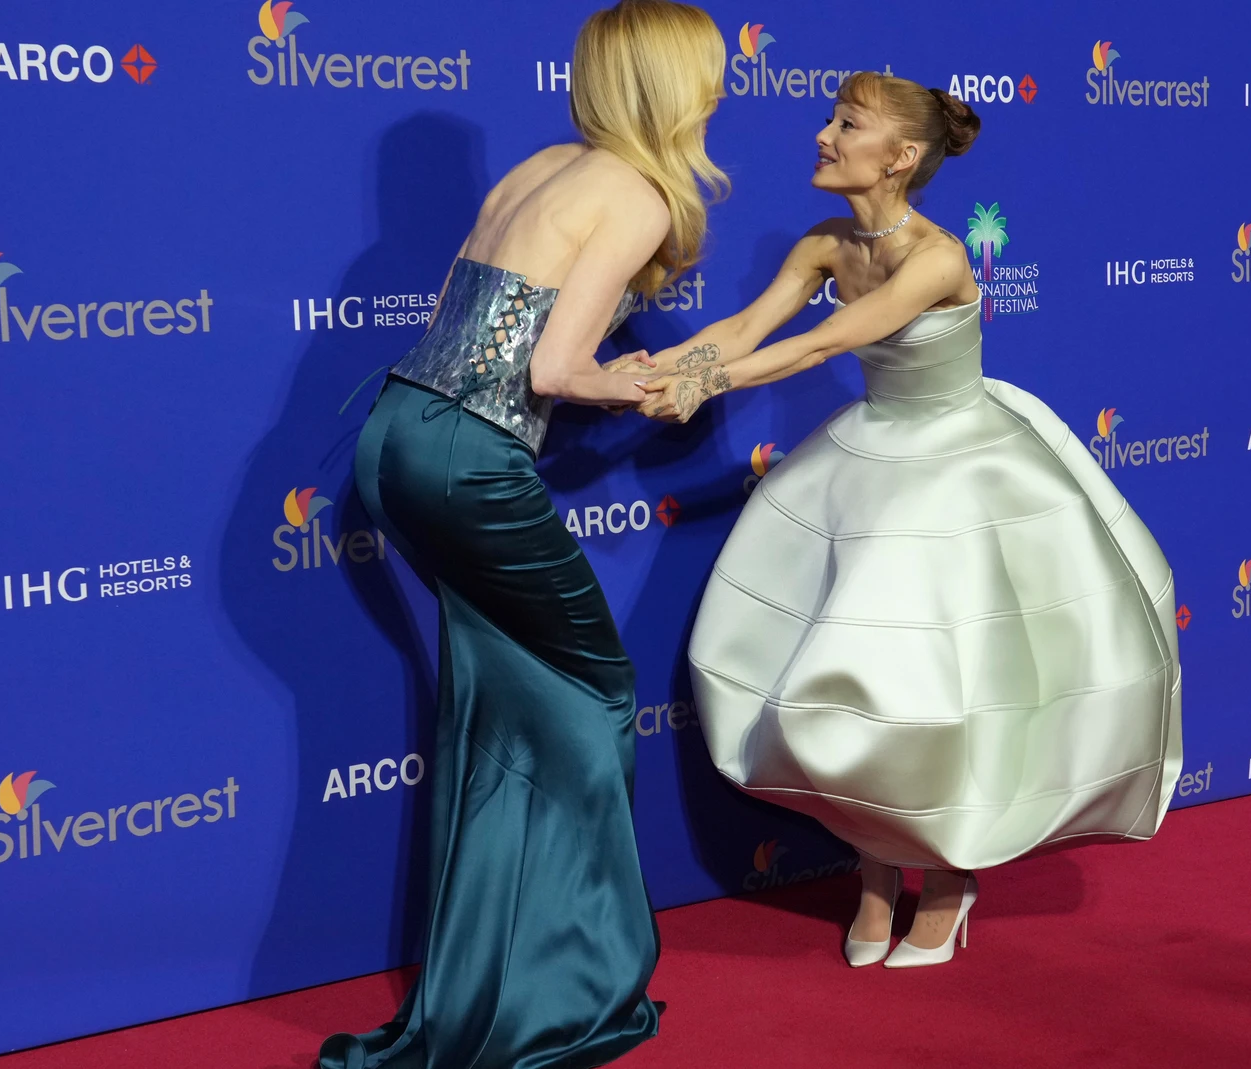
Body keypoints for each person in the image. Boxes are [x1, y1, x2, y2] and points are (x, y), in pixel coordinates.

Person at [634, 72, 1183, 969]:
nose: (822, 134)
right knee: (859, 685)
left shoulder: (937, 255)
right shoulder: (824, 240)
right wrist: (666, 365)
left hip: (960, 472)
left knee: (944, 692)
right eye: (829, 117)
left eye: (845, 124)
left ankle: (953, 874)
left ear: (901, 156)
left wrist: (701, 385)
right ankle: (880, 870)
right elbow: (747, 325)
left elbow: (822, 343)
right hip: (866, 461)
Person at [320, 2, 725, 1064]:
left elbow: (480, 332)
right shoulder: (633, 193)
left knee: (502, 700)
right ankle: (565, 984)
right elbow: (550, 372)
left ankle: (492, 989)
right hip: (467, 457)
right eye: (712, 72)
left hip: (396, 435)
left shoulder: (540, 166)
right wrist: (634, 383)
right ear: (674, 86)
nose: (723, 88)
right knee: (591, 693)